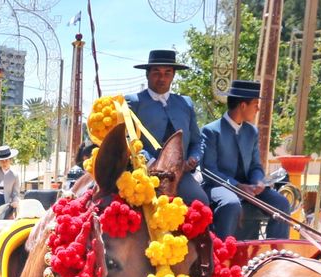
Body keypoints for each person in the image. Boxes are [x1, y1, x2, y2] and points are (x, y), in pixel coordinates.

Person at [199, 79, 290, 240]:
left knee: (281, 203)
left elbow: (256, 166)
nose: (258, 109)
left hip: (249, 188)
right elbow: (209, 171)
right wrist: (237, 186)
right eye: (255, 104)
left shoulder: (251, 132)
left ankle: (276, 254)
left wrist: (257, 182)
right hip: (219, 186)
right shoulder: (211, 131)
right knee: (231, 204)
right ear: (243, 105)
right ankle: (221, 253)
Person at [124, 49, 206, 207]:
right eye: (156, 72)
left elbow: (197, 141)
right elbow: (128, 138)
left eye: (167, 73)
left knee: (201, 202)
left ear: (173, 75)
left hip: (180, 174)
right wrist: (150, 162)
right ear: (147, 74)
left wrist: (193, 158)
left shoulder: (185, 103)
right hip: (144, 173)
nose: (162, 78)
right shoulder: (134, 101)